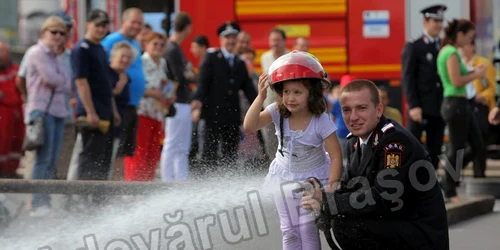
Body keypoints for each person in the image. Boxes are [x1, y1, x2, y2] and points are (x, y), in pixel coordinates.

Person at [302, 79, 449, 250]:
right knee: (341, 219)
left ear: (379, 109)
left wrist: (329, 202)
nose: (354, 117)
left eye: (362, 108)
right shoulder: (355, 142)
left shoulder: (394, 142)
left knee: (348, 226)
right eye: (347, 110)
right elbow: (354, 188)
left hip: (419, 234)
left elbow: (383, 197)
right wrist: (323, 197)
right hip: (395, 223)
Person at [244, 51, 343, 250]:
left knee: (307, 229)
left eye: (298, 92)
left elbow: (336, 156)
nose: (290, 98)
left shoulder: (320, 120)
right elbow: (249, 126)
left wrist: (330, 187)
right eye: (286, 91)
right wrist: (260, 97)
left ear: (312, 93)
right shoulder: (276, 111)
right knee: (288, 229)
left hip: (311, 181)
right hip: (283, 177)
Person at [192, 21, 257, 172]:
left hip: (231, 116)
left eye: (234, 37)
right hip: (212, 114)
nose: (231, 41)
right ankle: (208, 184)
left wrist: (262, 107)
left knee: (231, 154)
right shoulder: (211, 57)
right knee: (210, 152)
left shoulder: (240, 63)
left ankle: (229, 184)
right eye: (227, 37)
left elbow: (249, 90)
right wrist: (196, 102)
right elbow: (202, 82)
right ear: (221, 40)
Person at [26, 16, 72, 216]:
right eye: (54, 32)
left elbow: (68, 83)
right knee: (43, 158)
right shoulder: (37, 52)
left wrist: (58, 81)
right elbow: (51, 79)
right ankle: (37, 202)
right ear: (44, 32)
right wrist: (58, 81)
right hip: (42, 110)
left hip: (59, 110)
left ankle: (46, 200)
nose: (58, 36)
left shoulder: (59, 56)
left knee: (53, 159)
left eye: (62, 33)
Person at [437, 19, 487, 203]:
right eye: (469, 37)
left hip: (461, 104)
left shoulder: (453, 53)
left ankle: (449, 178)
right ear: (460, 35)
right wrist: (477, 75)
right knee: (456, 148)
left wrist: (474, 70)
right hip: (454, 103)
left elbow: (462, 73)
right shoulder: (449, 52)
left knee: (477, 146)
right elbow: (456, 81)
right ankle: (449, 187)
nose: (470, 41)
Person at [71, 9, 118, 184]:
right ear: (88, 24)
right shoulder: (81, 49)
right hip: (92, 113)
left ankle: (98, 200)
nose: (101, 29)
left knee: (103, 158)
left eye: (104, 25)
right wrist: (90, 112)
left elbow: (106, 84)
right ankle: (82, 199)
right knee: (89, 156)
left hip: (105, 111)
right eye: (97, 25)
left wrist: (113, 110)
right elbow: (81, 82)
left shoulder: (100, 48)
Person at [401, 4, 447, 170]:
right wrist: (413, 105)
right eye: (435, 21)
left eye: (440, 21)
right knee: (413, 147)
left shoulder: (442, 47)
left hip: (438, 107)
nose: (439, 25)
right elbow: (408, 78)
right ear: (425, 21)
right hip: (420, 107)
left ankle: (431, 184)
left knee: (436, 147)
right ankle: (408, 185)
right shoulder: (414, 46)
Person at [101, 8, 146, 170]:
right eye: (133, 22)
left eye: (139, 23)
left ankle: (119, 190)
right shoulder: (111, 40)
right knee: (115, 151)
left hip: (131, 104)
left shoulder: (135, 43)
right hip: (117, 105)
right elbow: (103, 70)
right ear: (123, 22)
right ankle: (111, 190)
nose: (136, 26)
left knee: (124, 152)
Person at [126, 32, 171, 181]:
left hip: (157, 113)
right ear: (146, 45)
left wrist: (169, 95)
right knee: (140, 150)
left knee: (153, 153)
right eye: (155, 44)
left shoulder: (163, 63)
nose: (158, 47)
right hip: (142, 112)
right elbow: (134, 85)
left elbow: (165, 85)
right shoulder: (141, 61)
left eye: (161, 44)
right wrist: (153, 93)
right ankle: (134, 187)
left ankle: (147, 185)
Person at [160, 12, 194, 182]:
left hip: (182, 101)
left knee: (181, 146)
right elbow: (179, 76)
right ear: (188, 27)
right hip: (176, 102)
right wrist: (188, 75)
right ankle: (167, 180)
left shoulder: (173, 48)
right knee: (173, 144)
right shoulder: (172, 49)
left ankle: (181, 179)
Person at [108, 41, 134, 181]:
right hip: (110, 121)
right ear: (114, 56)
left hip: (124, 120)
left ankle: (116, 187)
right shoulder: (109, 73)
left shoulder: (125, 75)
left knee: (119, 155)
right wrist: (120, 84)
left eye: (129, 58)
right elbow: (109, 93)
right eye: (123, 56)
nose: (125, 60)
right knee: (110, 156)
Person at [0, 41, 24, 179]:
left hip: (15, 113)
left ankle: (11, 170)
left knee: (16, 142)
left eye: (5, 51)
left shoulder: (14, 69)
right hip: (3, 113)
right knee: (2, 143)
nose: (2, 54)